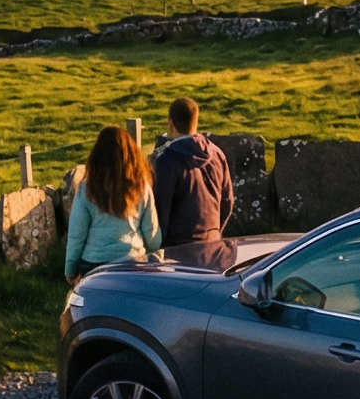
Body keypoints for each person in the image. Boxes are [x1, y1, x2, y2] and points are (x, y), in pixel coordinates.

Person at [64, 124, 163, 280]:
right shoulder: (142, 186)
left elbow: (76, 237)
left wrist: (70, 271)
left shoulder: (86, 188)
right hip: (133, 263)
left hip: (94, 266)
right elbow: (152, 236)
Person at [149, 96, 234, 248]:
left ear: (171, 123)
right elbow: (227, 201)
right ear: (196, 121)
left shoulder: (166, 161)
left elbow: (162, 210)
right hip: (212, 245)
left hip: (179, 249)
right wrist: (214, 232)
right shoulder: (217, 154)